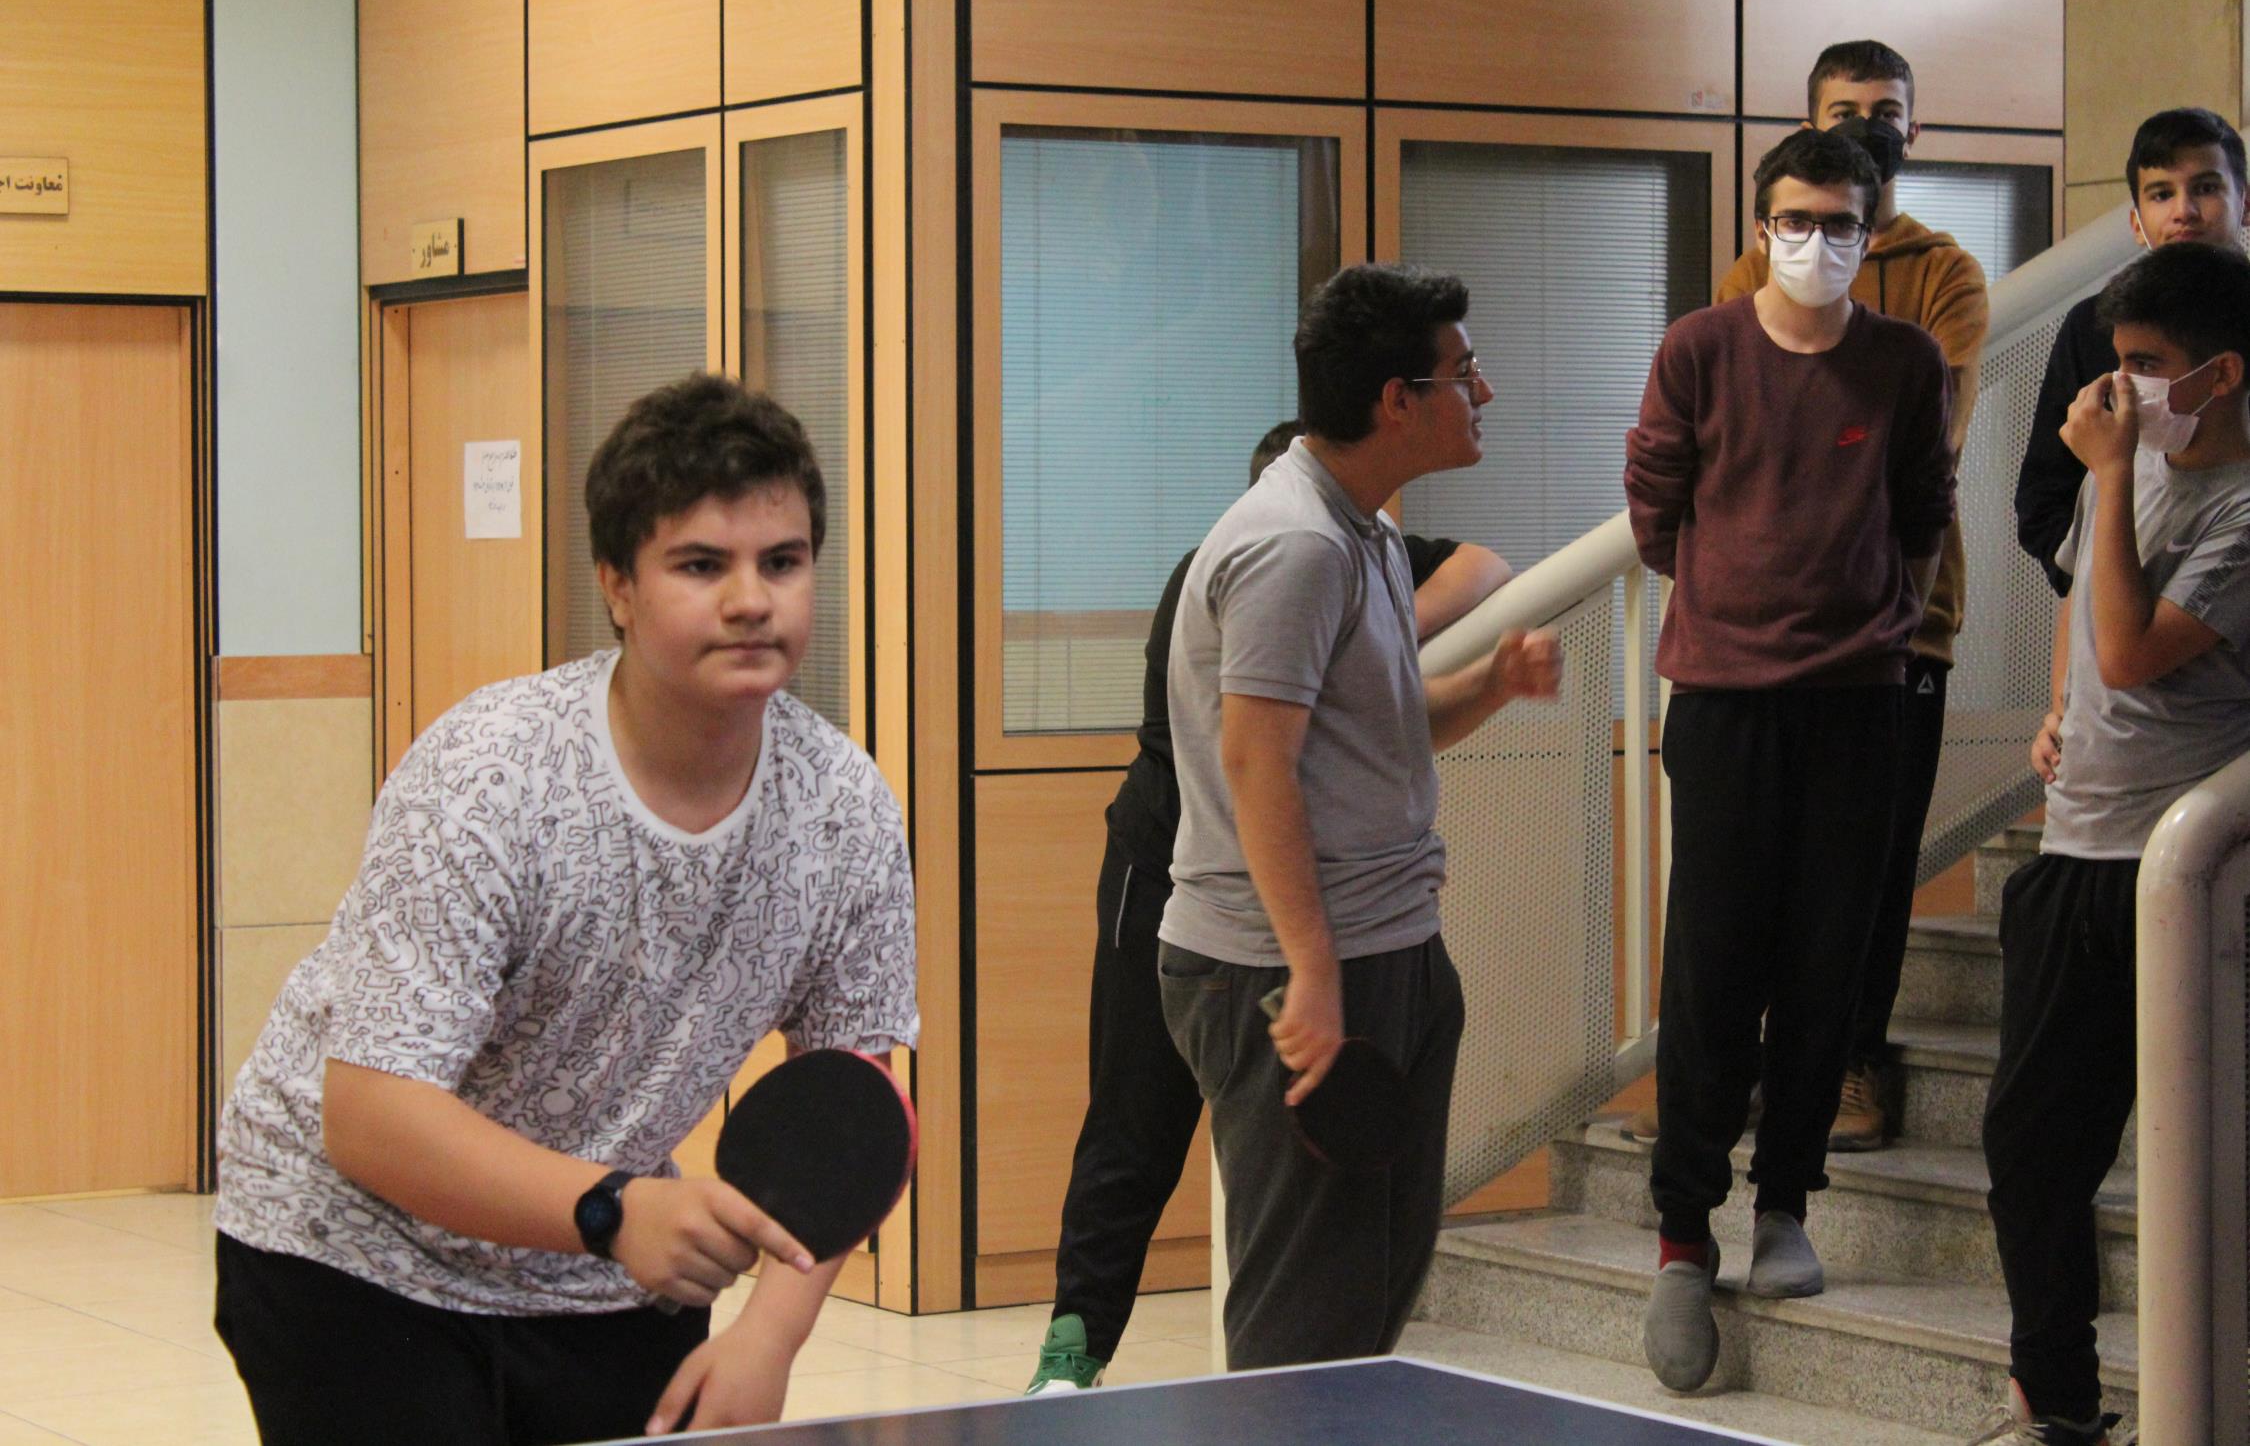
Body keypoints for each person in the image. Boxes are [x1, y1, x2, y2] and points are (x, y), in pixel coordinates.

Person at [211, 374, 918, 1444]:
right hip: (351, 1249)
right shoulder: (491, 777)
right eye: (700, 565)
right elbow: (369, 1115)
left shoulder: (846, 811)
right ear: (617, 587)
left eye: (782, 562)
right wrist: (614, 1208)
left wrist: (769, 1337)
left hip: (602, 1275)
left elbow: (856, 1104)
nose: (751, 600)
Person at [1027, 422, 1510, 1393]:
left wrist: (1375, 631)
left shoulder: (1364, 553)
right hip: (1179, 888)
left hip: (1312, 920)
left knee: (1355, 1234)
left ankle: (1329, 1396)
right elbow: (1259, 772)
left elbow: (1485, 571)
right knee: (1135, 1123)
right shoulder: (1252, 568)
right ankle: (1071, 1353)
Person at [1158, 263, 1559, 1371]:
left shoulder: (1362, 530)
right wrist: (1314, 971)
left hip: (1389, 946)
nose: (1483, 392)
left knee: (1369, 1302)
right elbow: (1259, 765)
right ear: (1397, 400)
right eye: (1463, 372)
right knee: (1304, 1319)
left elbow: (1375, 726)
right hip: (1288, 968)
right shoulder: (1295, 545)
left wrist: (1492, 685)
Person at [1624, 128, 1954, 1394]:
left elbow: (1923, 510)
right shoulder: (1700, 350)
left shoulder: (1903, 361)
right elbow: (1655, 509)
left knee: (1828, 963)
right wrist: (1733, 604)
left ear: (1873, 230)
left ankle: (1785, 1206)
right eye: (1796, 220)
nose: (1817, 242)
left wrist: (1881, 617)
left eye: (1841, 223)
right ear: (1761, 227)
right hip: (1724, 703)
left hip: (1859, 703)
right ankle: (1681, 1232)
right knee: (1713, 968)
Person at [1626, 39, 1989, 1152]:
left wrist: (1872, 576)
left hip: (1897, 635)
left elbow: (1930, 442)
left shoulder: (1945, 275)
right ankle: (1731, 1091)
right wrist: (1741, 568)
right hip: (1745, 653)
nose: (1867, 124)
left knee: (1861, 886)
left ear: (1912, 132)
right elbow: (1705, 456)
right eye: (1845, 109)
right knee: (1730, 903)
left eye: (1887, 109)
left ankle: (1851, 1068)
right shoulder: (1748, 280)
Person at [1978, 242, 2250, 1445]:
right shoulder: (2117, 470)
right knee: (2032, 1145)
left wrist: (2112, 472)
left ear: (2221, 374)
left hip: (2187, 876)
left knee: (2204, 1163)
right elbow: (2084, 616)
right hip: (2075, 852)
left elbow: (2134, 649)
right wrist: (2057, 706)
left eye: (2147, 362)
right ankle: (2058, 1400)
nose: (2123, 386)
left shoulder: (2240, 507)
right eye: (2117, 361)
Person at [2016, 107, 2250, 592]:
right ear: (2137, 220)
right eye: (2162, 194)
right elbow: (2044, 493)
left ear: (2245, 204)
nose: (2184, 211)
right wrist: (2097, 584)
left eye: (2206, 188)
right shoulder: (2094, 326)